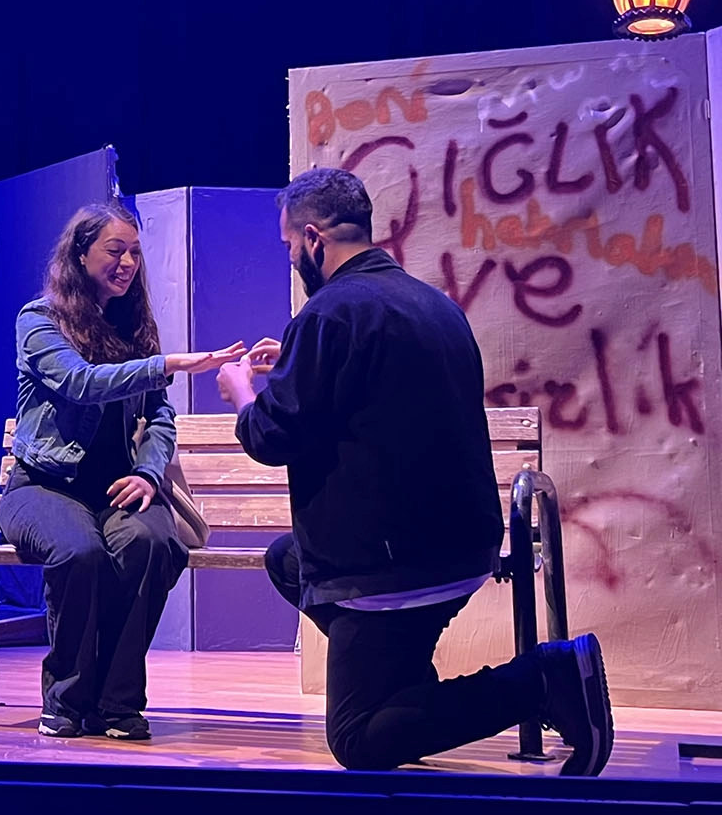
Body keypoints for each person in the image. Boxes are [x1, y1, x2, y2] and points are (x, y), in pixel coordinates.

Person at [214, 167, 613, 775]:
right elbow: (369, 395)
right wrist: (295, 360)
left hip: (392, 563)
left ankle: (542, 680)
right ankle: (407, 693)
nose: (291, 257)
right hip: (463, 547)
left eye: (289, 244)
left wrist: (242, 393)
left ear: (313, 239)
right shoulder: (433, 304)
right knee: (288, 561)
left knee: (358, 740)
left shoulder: (329, 314)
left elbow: (270, 437)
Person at [0, 202, 245, 740]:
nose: (128, 262)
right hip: (44, 486)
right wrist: (170, 364)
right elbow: (81, 383)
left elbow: (159, 418)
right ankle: (67, 698)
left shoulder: (133, 325)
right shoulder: (38, 320)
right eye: (115, 250)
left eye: (135, 252)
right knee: (79, 551)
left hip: (118, 487)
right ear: (80, 254)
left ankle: (117, 702)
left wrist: (150, 474)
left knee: (152, 543)